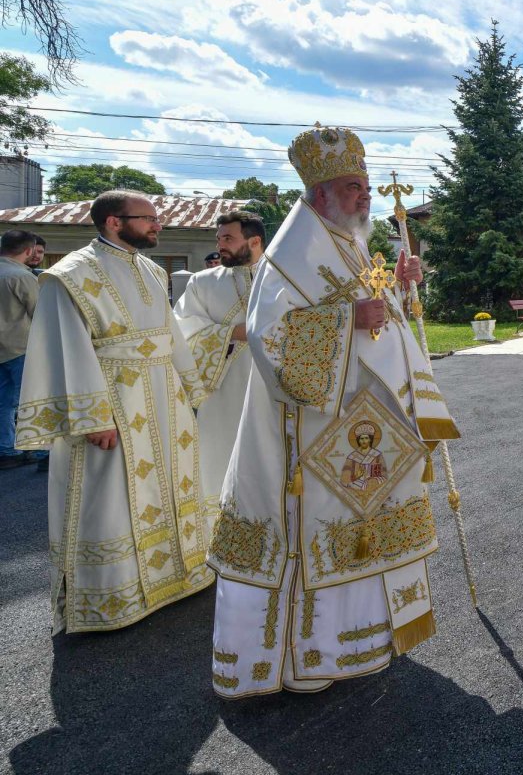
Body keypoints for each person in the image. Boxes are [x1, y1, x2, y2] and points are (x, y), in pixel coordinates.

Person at [207, 124, 460, 698]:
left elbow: (380, 318)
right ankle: (306, 656)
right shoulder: (289, 255)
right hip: (312, 432)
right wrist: (350, 320)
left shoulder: (350, 242)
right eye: (353, 188)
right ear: (320, 193)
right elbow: (270, 338)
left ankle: (363, 641)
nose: (365, 197)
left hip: (363, 425)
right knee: (319, 531)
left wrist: (401, 289)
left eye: (365, 187)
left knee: (365, 527)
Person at [15, 190, 213, 633]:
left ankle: (176, 576)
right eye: (148, 218)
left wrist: (190, 388)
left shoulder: (151, 269)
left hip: (164, 397)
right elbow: (65, 348)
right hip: (113, 400)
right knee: (111, 494)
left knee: (170, 482)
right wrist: (93, 417)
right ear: (113, 222)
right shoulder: (69, 275)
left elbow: (170, 334)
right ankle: (114, 595)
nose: (157, 225)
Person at [173, 210, 266, 536]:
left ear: (254, 241)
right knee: (220, 456)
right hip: (224, 389)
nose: (220, 246)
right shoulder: (202, 283)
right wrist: (233, 333)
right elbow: (182, 331)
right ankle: (221, 533)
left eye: (228, 238)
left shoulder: (284, 277)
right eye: (218, 239)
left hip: (274, 385)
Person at [0, 230, 41, 470]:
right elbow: (40, 313)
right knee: (31, 400)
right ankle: (39, 451)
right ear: (28, 250)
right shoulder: (21, 276)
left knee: (4, 403)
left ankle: (6, 449)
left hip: (3, 349)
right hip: (21, 348)